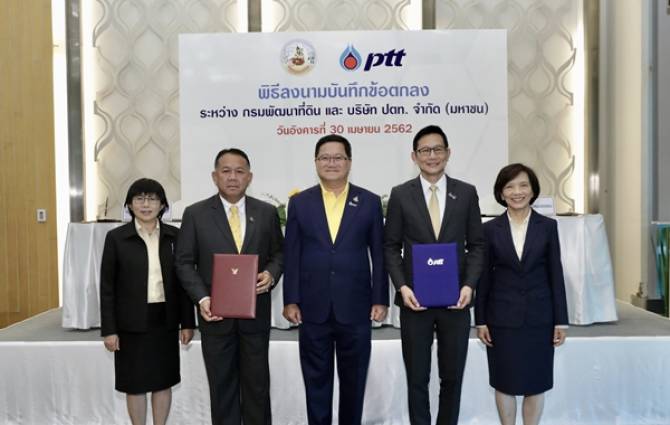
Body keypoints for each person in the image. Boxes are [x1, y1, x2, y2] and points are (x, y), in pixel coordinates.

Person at [282, 134, 388, 425]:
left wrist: (380, 298)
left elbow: (379, 254)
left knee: (354, 381)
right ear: (316, 162)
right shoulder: (300, 203)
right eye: (325, 157)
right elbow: (292, 254)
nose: (331, 163)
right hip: (312, 306)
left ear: (349, 162)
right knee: (316, 382)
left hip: (356, 306)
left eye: (338, 157)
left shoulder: (369, 201)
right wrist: (291, 299)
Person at [384, 125, 486, 425]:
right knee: (417, 377)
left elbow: (477, 245)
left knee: (452, 376)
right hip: (415, 301)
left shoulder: (465, 193)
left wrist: (469, 285)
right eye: (425, 150)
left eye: (437, 149)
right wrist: (402, 287)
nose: (432, 156)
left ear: (448, 153)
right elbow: (390, 247)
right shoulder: (401, 194)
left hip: (456, 300)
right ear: (414, 156)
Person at [175, 148, 283, 425]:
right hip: (215, 316)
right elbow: (184, 262)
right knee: (222, 388)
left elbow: (279, 254)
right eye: (226, 171)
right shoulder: (195, 214)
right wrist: (202, 298)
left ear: (249, 177)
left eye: (239, 171)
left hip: (254, 315)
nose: (233, 177)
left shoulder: (267, 212)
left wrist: (271, 274)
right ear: (215, 176)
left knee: (257, 387)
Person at [475, 163, 568, 425]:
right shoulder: (489, 229)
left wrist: (561, 320)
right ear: (501, 193)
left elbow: (555, 274)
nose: (517, 192)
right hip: (501, 318)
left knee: (536, 382)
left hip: (539, 318)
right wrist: (480, 320)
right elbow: (484, 278)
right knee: (504, 382)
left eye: (523, 185)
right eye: (510, 187)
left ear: (533, 190)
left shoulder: (548, 226)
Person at [100, 178, 196, 425]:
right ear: (129, 205)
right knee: (135, 383)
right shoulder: (116, 238)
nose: (145, 204)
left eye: (152, 199)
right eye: (139, 199)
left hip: (165, 319)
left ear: (162, 205)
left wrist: (187, 323)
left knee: (163, 380)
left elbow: (185, 283)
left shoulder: (175, 236)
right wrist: (109, 330)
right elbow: (107, 288)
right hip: (130, 322)